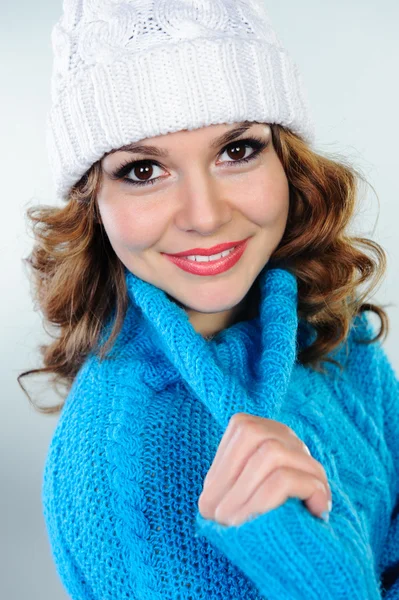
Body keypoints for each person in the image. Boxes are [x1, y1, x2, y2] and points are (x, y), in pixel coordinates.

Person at [18, 0, 399, 598]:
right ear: (93, 205)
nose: (206, 216)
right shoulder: (116, 470)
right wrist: (308, 568)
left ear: (286, 161)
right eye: (143, 170)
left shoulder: (327, 327)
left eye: (237, 150)